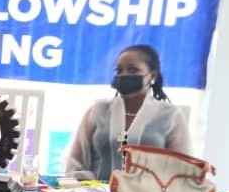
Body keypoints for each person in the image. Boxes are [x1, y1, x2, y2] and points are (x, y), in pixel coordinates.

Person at [66, 44, 191, 181]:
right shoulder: (98, 110)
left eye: (132, 70)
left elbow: (182, 168)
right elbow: (75, 161)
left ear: (152, 75)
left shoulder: (170, 115)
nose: (124, 75)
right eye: (119, 70)